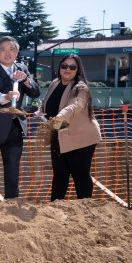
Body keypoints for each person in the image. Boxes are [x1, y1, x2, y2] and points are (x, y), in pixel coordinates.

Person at [0, 36, 40, 202]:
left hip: (15, 129)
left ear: (17, 52)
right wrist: (6, 96)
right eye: (3, 49)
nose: (7, 53)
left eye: (12, 49)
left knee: (12, 171)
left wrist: (25, 79)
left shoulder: (22, 68)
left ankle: (11, 205)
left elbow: (35, 92)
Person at [39, 54, 101, 200]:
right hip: (59, 135)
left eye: (72, 67)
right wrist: (41, 111)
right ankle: (55, 208)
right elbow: (49, 104)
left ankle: (86, 210)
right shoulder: (55, 83)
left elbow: (74, 106)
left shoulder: (81, 87)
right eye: (64, 66)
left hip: (81, 138)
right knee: (60, 175)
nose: (67, 69)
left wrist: (58, 117)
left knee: (80, 175)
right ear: (59, 67)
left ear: (78, 70)